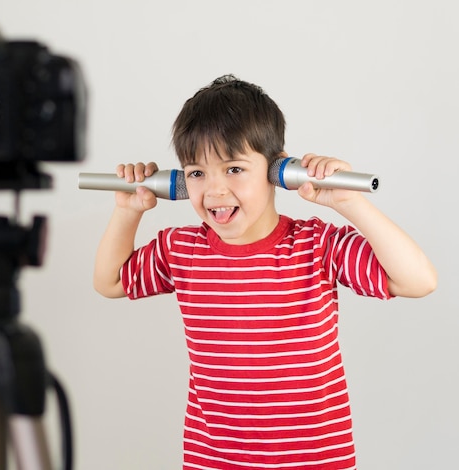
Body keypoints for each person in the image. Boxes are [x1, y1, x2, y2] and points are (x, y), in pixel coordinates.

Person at [92, 75, 437, 469]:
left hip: (315, 461)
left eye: (234, 168)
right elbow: (111, 281)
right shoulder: (181, 250)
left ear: (278, 170)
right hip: (215, 461)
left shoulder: (317, 245)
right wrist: (127, 210)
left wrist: (349, 203)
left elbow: (418, 280)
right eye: (197, 173)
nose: (215, 190)